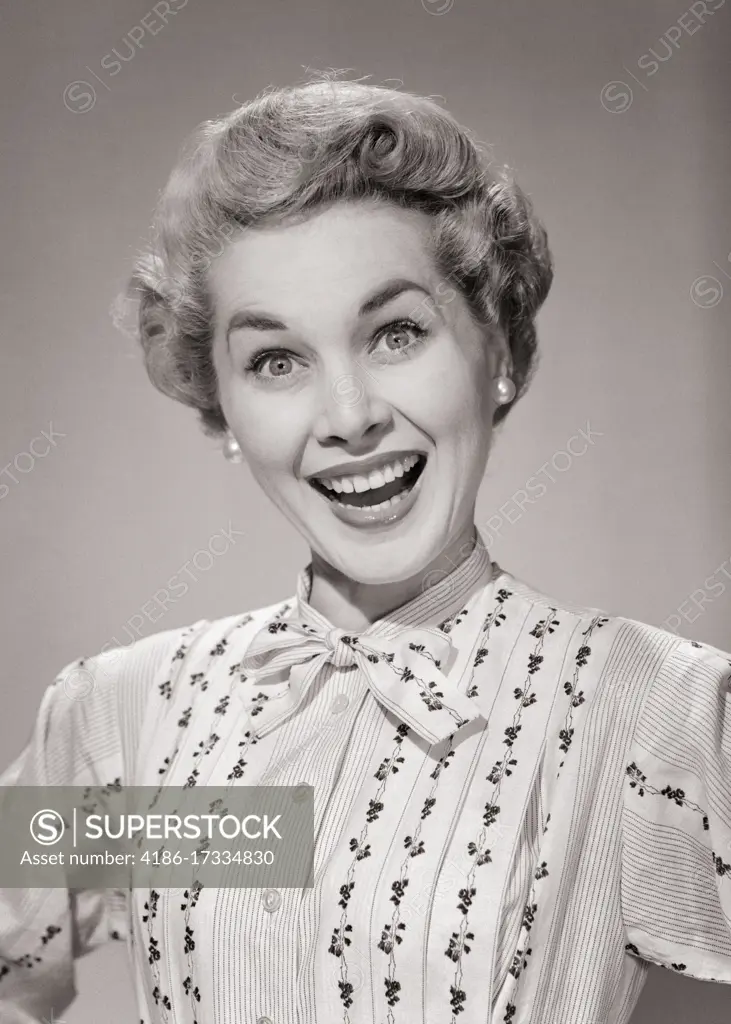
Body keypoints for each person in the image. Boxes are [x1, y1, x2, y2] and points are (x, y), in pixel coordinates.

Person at [1, 77, 730, 1024]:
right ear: (221, 406)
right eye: (276, 360)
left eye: (394, 333)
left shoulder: (656, 712)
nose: (348, 418)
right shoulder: (127, 713)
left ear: (497, 345)